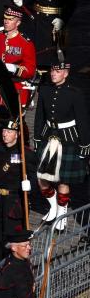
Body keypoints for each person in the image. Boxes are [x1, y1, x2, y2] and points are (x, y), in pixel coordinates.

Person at [34, 52, 89, 225]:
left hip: (69, 138)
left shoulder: (75, 93)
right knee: (42, 178)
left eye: (57, 72)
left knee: (64, 180)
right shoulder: (44, 90)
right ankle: (53, 206)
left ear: (65, 73)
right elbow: (39, 116)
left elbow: (82, 120)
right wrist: (36, 138)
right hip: (49, 137)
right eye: (52, 71)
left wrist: (85, 145)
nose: (53, 74)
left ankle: (61, 214)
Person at [0, 119, 37, 271]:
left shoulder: (26, 154)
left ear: (17, 134)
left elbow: (34, 178)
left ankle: (11, 273)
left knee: (11, 241)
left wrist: (29, 185)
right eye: (4, 131)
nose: (5, 134)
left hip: (14, 202)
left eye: (9, 132)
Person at [0, 5, 36, 107]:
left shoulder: (26, 43)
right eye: (5, 18)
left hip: (16, 89)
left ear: (18, 23)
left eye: (10, 19)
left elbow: (30, 70)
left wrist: (14, 68)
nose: (6, 21)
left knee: (15, 122)